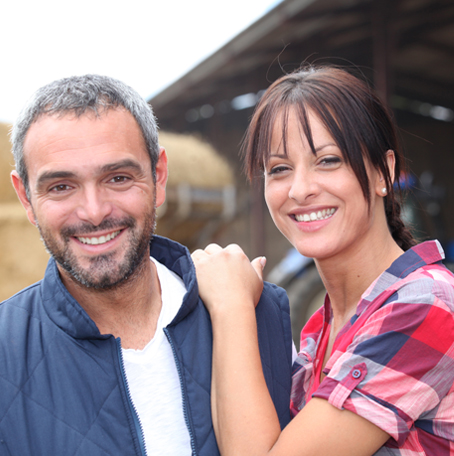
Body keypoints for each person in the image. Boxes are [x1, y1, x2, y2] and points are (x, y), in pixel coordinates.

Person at [0, 74, 294, 456]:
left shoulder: (261, 316)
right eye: (61, 186)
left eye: (118, 178)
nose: (93, 212)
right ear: (25, 197)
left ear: (159, 175)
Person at [192, 66, 454, 455]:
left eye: (328, 161)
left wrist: (231, 307)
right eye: (279, 169)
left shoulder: (426, 304)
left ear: (385, 172)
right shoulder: (320, 330)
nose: (300, 190)